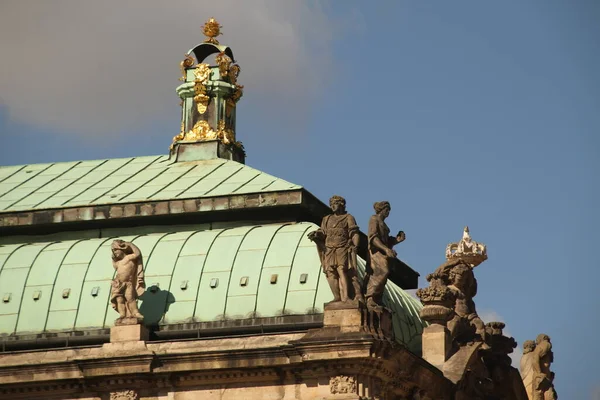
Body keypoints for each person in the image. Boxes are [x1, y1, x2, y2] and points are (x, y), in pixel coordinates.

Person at [308, 195, 362, 302]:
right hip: (329, 248)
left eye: (335, 204)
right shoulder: (326, 219)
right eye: (331, 204)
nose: (333, 206)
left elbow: (354, 233)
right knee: (330, 272)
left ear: (341, 205)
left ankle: (345, 297)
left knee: (341, 270)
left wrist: (355, 246)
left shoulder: (348, 217)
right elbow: (323, 232)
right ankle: (337, 296)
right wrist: (316, 233)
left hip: (342, 247)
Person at [364, 201, 405, 308]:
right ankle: (370, 296)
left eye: (389, 211)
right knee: (381, 272)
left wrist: (397, 240)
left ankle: (377, 298)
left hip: (382, 252)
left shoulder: (384, 225)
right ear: (381, 210)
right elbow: (373, 238)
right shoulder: (374, 219)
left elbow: (386, 241)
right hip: (376, 252)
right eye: (387, 210)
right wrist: (386, 249)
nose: (388, 213)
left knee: (383, 274)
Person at [110, 240, 145, 323]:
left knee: (130, 298)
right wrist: (113, 258)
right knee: (119, 300)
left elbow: (138, 254)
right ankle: (122, 314)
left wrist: (130, 244)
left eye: (116, 250)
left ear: (122, 249)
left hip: (127, 283)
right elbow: (115, 265)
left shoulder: (128, 258)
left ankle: (135, 313)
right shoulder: (118, 262)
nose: (115, 253)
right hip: (118, 283)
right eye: (113, 251)